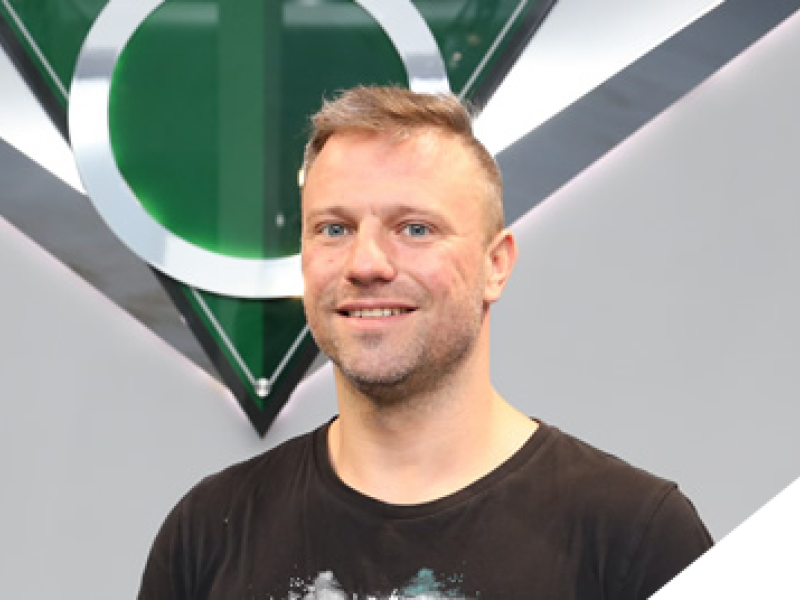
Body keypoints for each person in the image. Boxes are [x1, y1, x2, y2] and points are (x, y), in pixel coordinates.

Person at [138, 86, 713, 599]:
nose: (365, 264)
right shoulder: (208, 533)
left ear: (495, 265)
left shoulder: (636, 537)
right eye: (334, 229)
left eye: (415, 229)